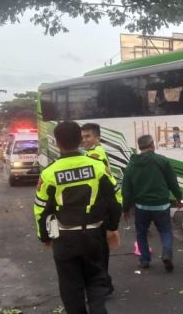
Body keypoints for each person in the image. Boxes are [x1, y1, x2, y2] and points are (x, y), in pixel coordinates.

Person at [34, 121, 121, 314]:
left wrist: (44, 236)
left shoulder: (49, 174)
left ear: (56, 142)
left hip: (64, 240)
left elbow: (41, 209)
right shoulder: (98, 167)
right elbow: (115, 198)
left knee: (70, 288)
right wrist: (112, 228)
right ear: (80, 141)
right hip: (94, 236)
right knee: (96, 283)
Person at [122, 134, 182, 272]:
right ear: (152, 145)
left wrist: (125, 208)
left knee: (141, 232)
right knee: (165, 230)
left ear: (139, 147)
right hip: (161, 205)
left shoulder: (131, 165)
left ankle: (144, 260)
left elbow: (127, 189)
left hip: (141, 206)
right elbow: (172, 181)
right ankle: (166, 254)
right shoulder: (162, 161)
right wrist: (178, 198)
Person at [81, 122, 120, 296]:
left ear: (97, 138)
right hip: (106, 209)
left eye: (88, 136)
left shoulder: (95, 155)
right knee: (100, 253)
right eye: (82, 137)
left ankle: (104, 286)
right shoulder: (92, 153)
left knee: (99, 254)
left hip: (104, 210)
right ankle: (105, 284)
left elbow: (105, 187)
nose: (85, 140)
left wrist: (112, 223)